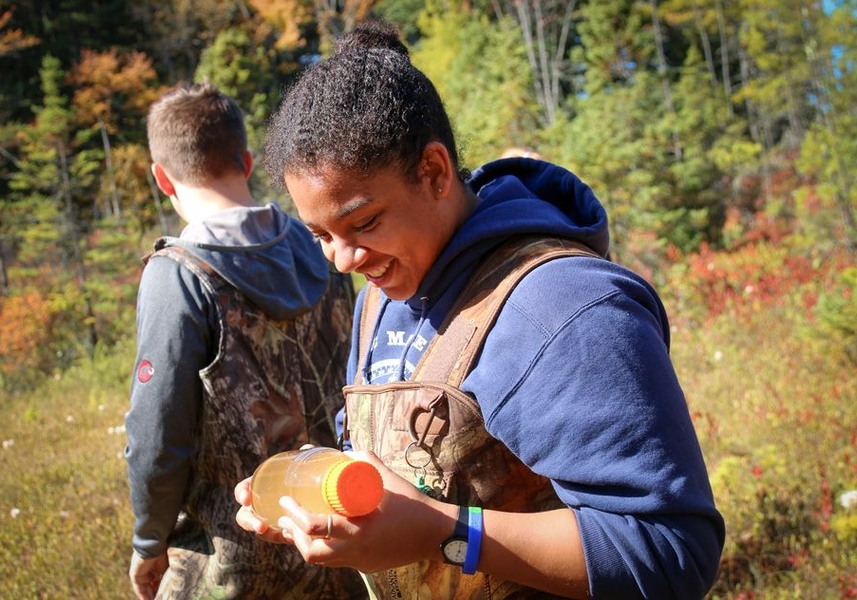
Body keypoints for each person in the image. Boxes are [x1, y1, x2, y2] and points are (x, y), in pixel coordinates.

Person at [235, 20, 725, 600]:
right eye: (320, 234)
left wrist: (445, 535)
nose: (342, 260)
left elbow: (672, 553)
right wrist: (322, 489)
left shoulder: (564, 307)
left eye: (363, 223)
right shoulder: (377, 300)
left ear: (435, 172)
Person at [124, 83, 365, 599]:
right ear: (248, 161)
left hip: (231, 560)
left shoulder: (179, 276)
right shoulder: (322, 241)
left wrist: (149, 542)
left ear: (162, 177)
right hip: (335, 536)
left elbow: (158, 431)